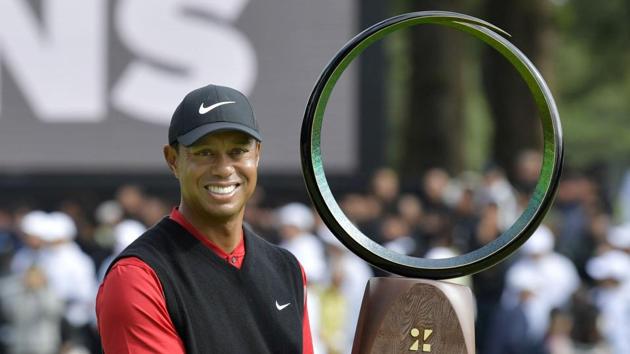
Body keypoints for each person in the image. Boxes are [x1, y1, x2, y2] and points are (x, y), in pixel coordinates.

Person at [96, 84, 314, 353]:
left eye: (238, 151)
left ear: (257, 154)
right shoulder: (138, 277)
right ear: (173, 160)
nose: (223, 169)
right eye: (204, 152)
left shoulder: (288, 269)